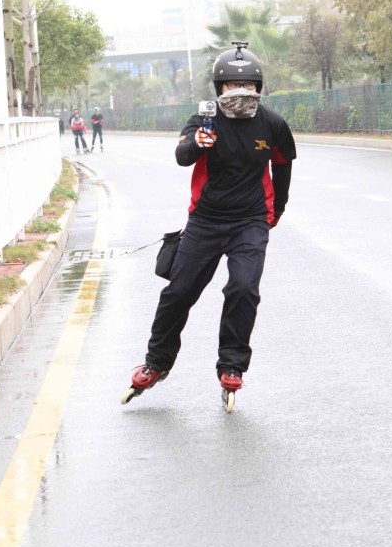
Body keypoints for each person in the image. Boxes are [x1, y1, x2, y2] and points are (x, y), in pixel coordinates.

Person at [121, 41, 296, 408]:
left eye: (247, 85)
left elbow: (282, 165)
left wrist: (277, 208)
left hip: (250, 221)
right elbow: (182, 156)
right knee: (179, 292)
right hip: (205, 220)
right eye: (231, 85)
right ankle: (156, 363)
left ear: (258, 88)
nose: (239, 92)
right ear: (219, 89)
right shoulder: (204, 121)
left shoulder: (272, 124)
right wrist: (199, 144)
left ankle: (232, 366)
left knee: (243, 289)